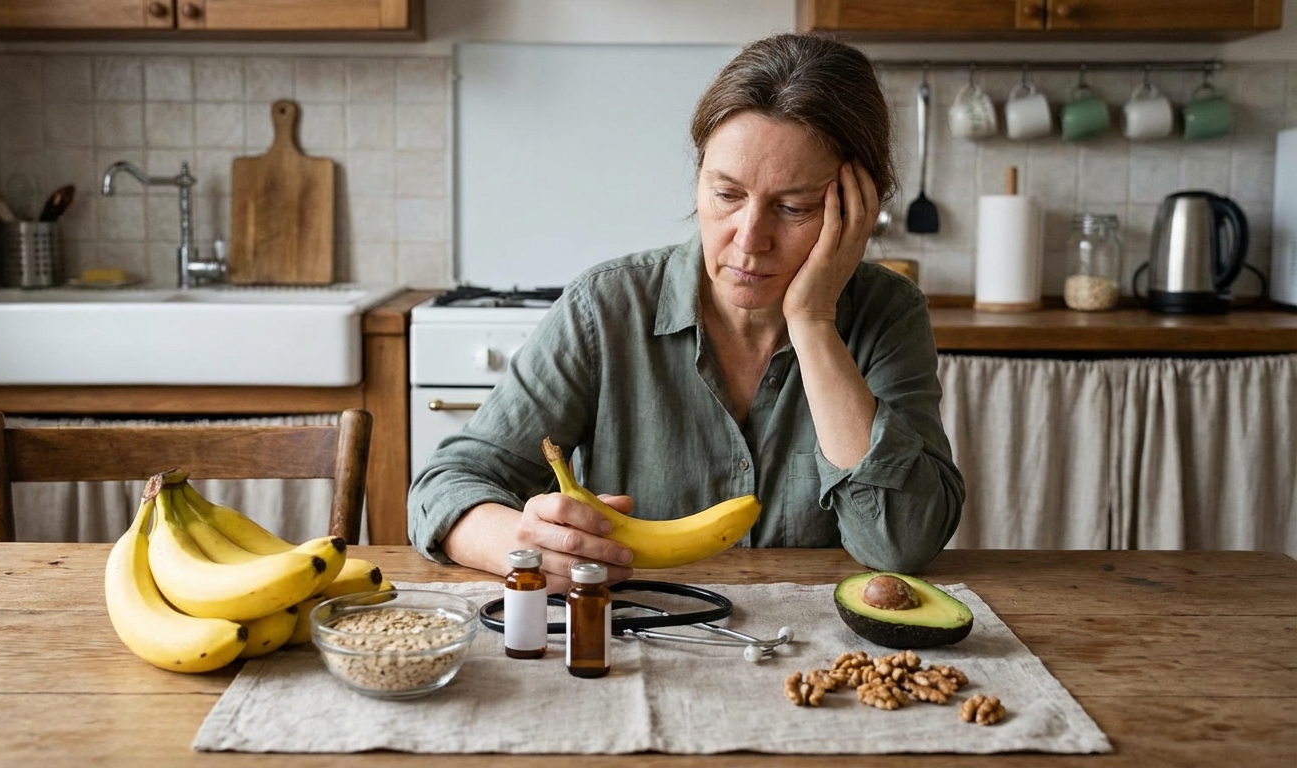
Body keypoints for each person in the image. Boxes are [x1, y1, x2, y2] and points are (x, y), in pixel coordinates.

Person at [409, 33, 964, 592]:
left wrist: (814, 321)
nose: (749, 239)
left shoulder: (888, 314)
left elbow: (899, 542)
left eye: (794, 207)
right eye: (727, 195)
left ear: (859, 207)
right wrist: (526, 546)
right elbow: (444, 486)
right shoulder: (604, 309)